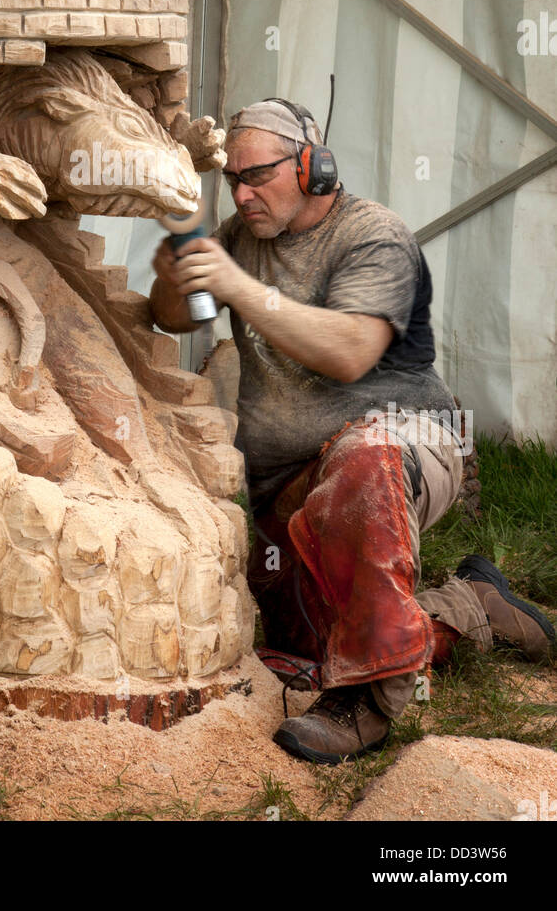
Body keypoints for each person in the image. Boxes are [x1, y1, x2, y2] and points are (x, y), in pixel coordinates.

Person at [149, 98, 554, 764]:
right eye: (234, 181)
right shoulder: (242, 232)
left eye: (260, 176)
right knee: (306, 649)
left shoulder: (375, 236)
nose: (245, 194)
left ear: (313, 166)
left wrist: (238, 286)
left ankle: (364, 704)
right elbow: (172, 316)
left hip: (399, 445)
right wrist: (179, 271)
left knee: (364, 461)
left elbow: (349, 351)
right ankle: (472, 608)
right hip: (289, 483)